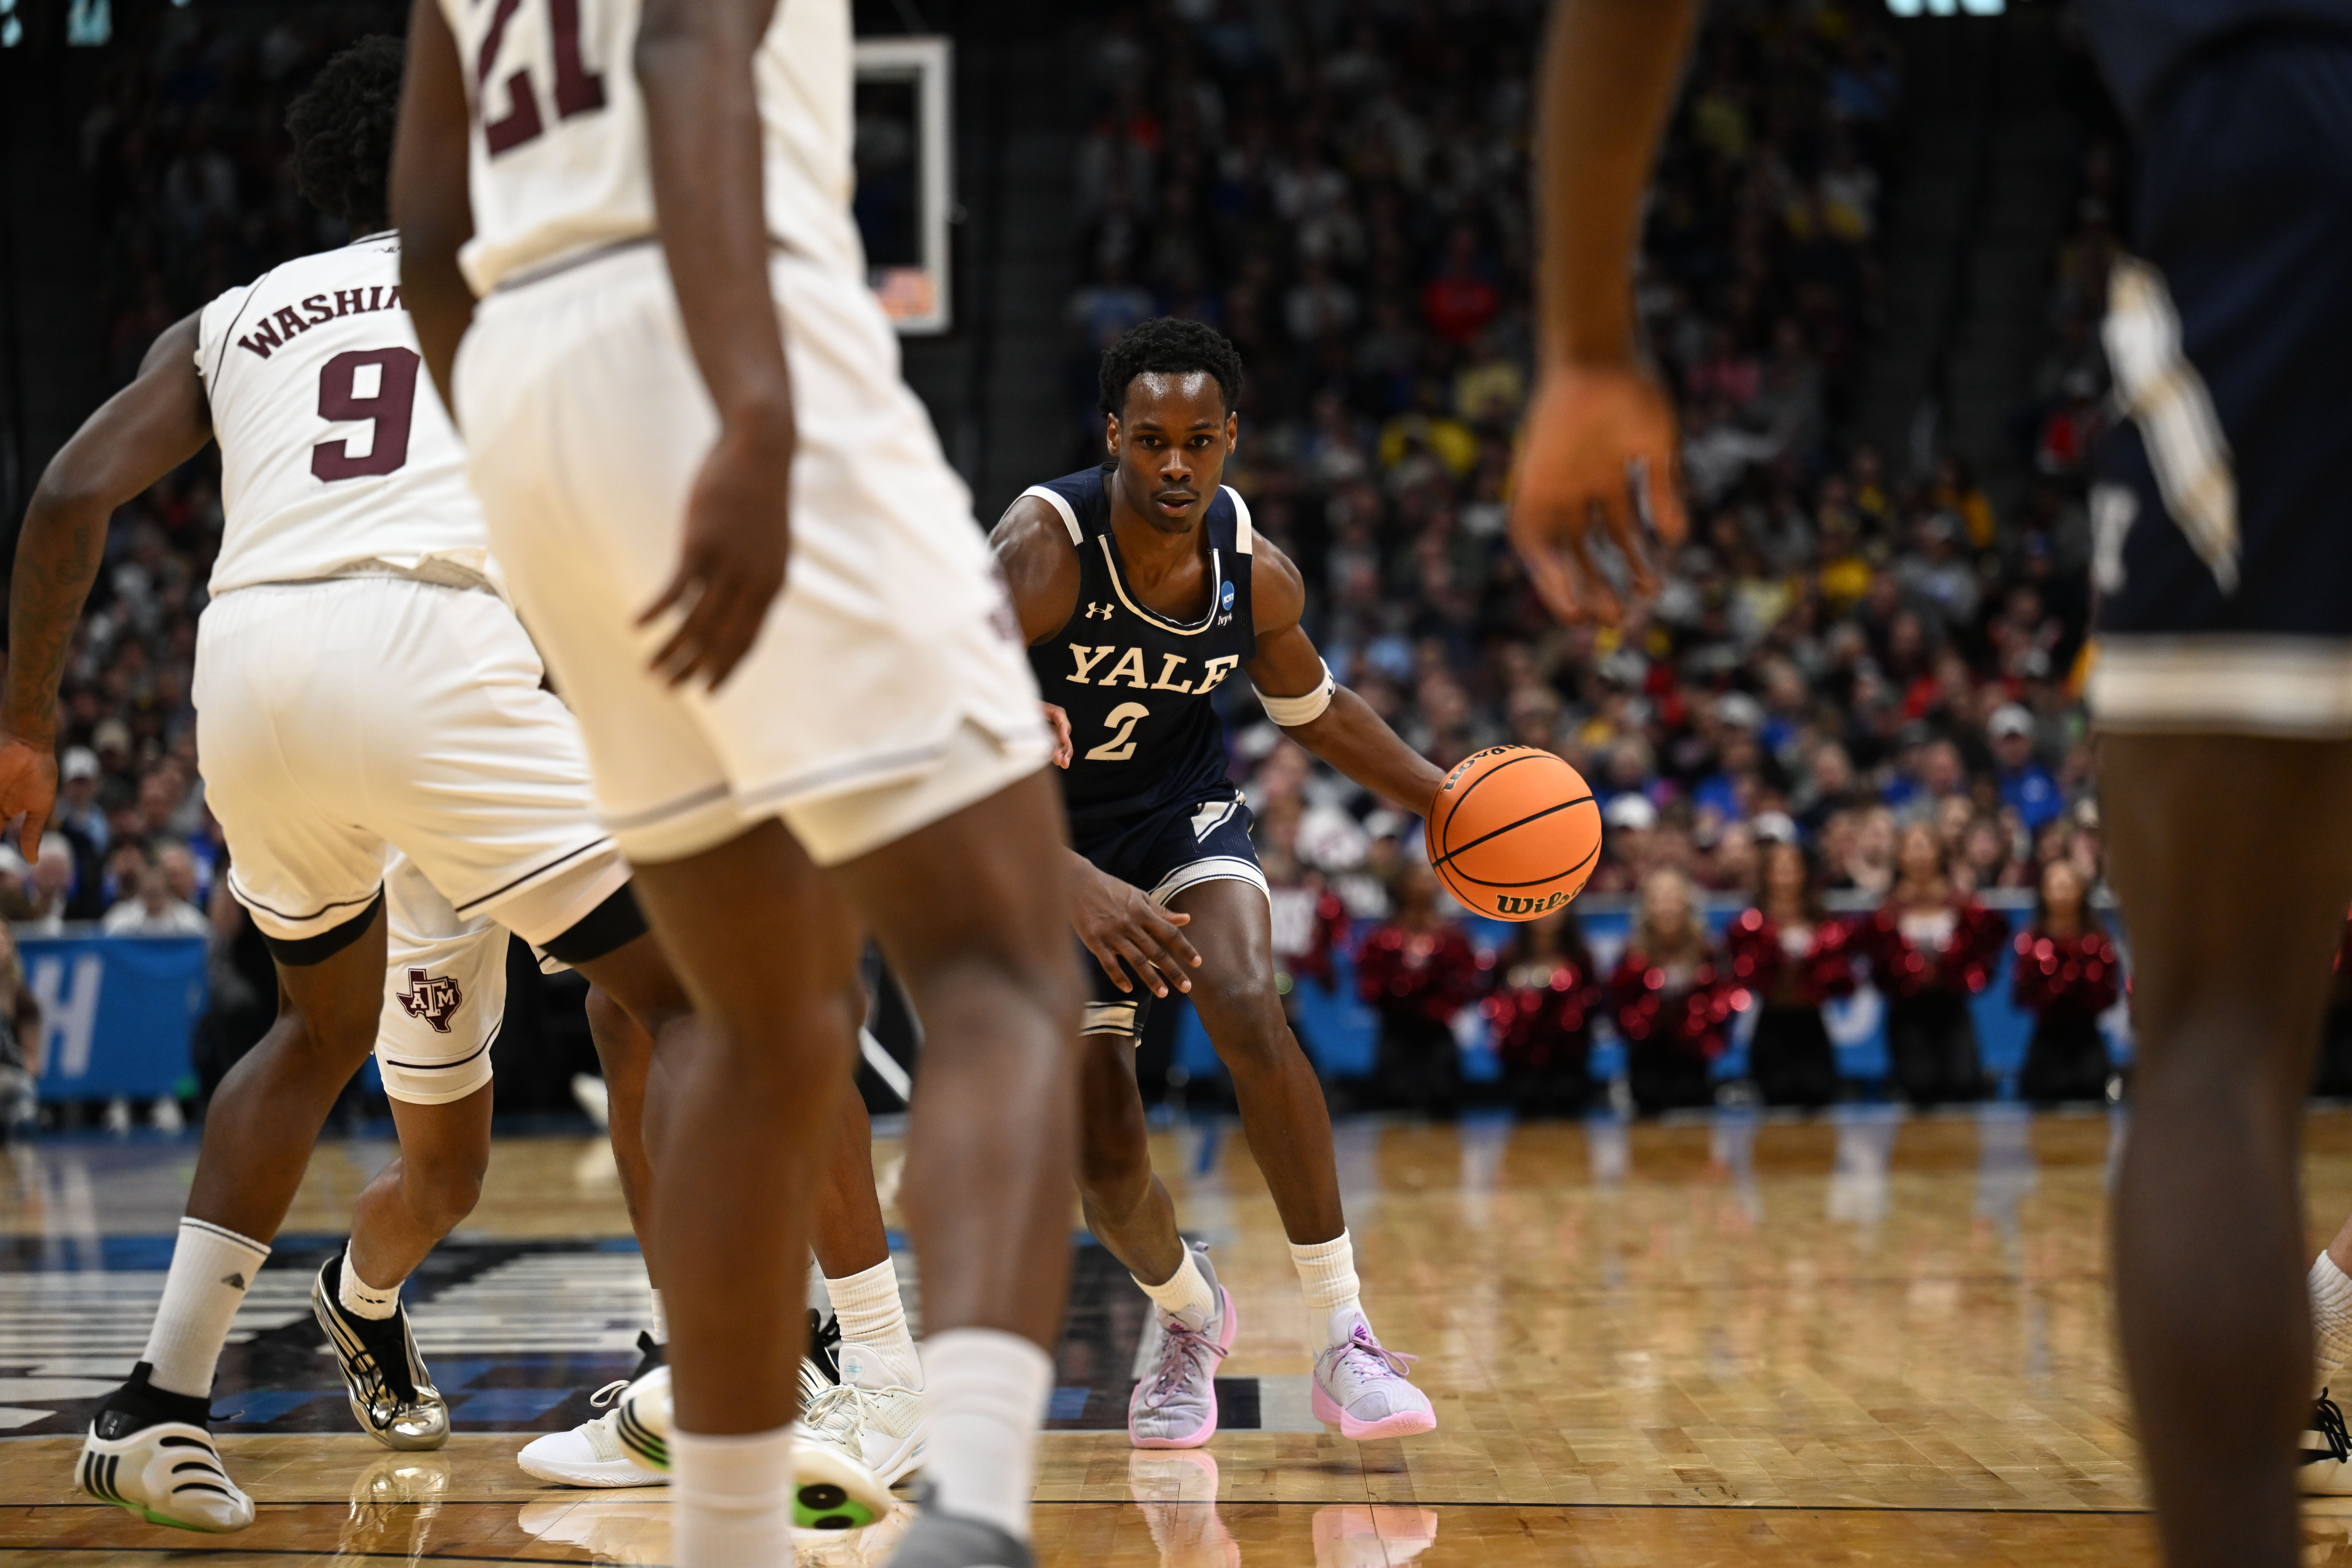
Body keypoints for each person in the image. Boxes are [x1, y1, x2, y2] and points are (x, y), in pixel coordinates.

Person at [0, 38, 903, 1537]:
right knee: (700, 1001)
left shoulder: (234, 317)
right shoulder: (523, 288)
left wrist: (27, 723)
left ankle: (157, 1403)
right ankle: (728, 1359)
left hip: (249, 660)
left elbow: (72, 495)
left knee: (308, 1030)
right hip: (433, 648)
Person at [395, 1, 1083, 1562]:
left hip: (524, 395)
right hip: (716, 317)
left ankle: (721, 1534)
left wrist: (547, 488)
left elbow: (430, 233)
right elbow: (693, 41)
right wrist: (753, 406)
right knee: (999, 968)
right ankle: (971, 1505)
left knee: (749, 1023)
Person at [993, 316, 1441, 1451]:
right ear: (1113, 439)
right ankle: (1193, 1318)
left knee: (1243, 993)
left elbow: (1320, 711)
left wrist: (1442, 800)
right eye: (1151, 441)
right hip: (1030, 835)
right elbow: (931, 725)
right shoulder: (1043, 553)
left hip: (1177, 815)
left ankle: (1345, 1334)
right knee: (1105, 1158)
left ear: (1233, 437)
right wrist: (1065, 878)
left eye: (1200, 438)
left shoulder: (1256, 574)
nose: (1177, 463)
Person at [1850, 822, 2008, 1106]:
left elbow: (1986, 947)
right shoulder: (1887, 910)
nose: (1919, 855)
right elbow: (1877, 960)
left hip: (1952, 1006)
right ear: (1900, 856)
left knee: (1963, 1081)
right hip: (1908, 1011)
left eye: (1926, 846)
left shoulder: (1962, 904)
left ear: (1940, 853)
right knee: (1919, 1085)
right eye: (1911, 847)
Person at [1722, 837, 1853, 1110]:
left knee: (1818, 1093)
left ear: (1805, 874)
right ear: (1766, 875)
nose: (1785, 876)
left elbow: (1841, 976)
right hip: (1772, 1023)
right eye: (1778, 868)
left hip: (1811, 1023)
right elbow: (1739, 978)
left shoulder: (1822, 921)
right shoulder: (1750, 925)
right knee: (1776, 1097)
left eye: (1792, 868)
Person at [1354, 860, 1480, 1118]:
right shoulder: (1382, 937)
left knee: (1443, 1109)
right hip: (1396, 1035)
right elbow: (1368, 986)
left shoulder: (1453, 937)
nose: (1426, 886)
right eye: (1418, 879)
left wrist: (1437, 1000)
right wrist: (1403, 988)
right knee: (1393, 1113)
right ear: (1401, 887)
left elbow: (1468, 984)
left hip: (1438, 1037)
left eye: (1431, 879)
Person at [1608, 867, 1735, 1116]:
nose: (1666, 907)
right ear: (1646, 907)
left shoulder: (1708, 951)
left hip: (1693, 1064)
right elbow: (1620, 1014)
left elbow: (1724, 1008)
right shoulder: (1630, 955)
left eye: (1674, 898)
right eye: (1658, 899)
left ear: (1688, 904)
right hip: (1647, 1065)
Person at [2009, 858, 2120, 1105]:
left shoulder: (2098, 940)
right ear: (2043, 893)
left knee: (2091, 1100)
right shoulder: (2030, 940)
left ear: (2081, 892)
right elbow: (2020, 995)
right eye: (2055, 886)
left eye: (2068, 886)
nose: (2062, 894)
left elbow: (2110, 995)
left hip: (2088, 1040)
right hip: (2047, 1041)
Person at [1482, 905, 1603, 1116]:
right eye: (1541, 907)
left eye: (1555, 907)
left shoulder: (1581, 957)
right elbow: (1490, 1002)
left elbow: (1595, 1001)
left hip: (1569, 1059)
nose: (1548, 916)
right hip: (1521, 1061)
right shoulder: (1508, 956)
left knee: (1569, 1109)